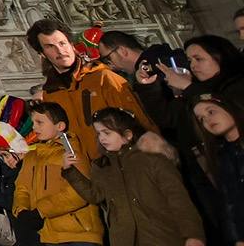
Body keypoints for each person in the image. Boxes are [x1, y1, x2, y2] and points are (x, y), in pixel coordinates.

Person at [57, 107, 204, 246]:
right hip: (124, 239)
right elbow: (95, 195)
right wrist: (70, 171)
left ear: (127, 135)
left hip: (161, 236)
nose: (102, 138)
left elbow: (179, 200)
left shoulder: (152, 159)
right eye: (99, 133)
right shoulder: (102, 165)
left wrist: (193, 235)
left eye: (107, 133)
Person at [26, 19, 155, 163]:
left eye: (62, 43)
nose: (60, 51)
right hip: (92, 175)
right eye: (50, 46)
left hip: (128, 164)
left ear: (71, 44)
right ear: (42, 54)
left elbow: (140, 123)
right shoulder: (51, 94)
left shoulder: (103, 78)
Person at [11, 101, 104, 246]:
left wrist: (40, 211)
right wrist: (21, 210)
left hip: (78, 233)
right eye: (33, 123)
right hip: (49, 235)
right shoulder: (32, 157)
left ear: (60, 126)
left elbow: (79, 193)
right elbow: (21, 187)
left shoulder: (71, 152)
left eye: (40, 122)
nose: (34, 127)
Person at [190, 94, 244, 246]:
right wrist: (237, 239)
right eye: (201, 119)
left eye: (211, 112)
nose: (207, 120)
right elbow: (228, 204)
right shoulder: (220, 157)